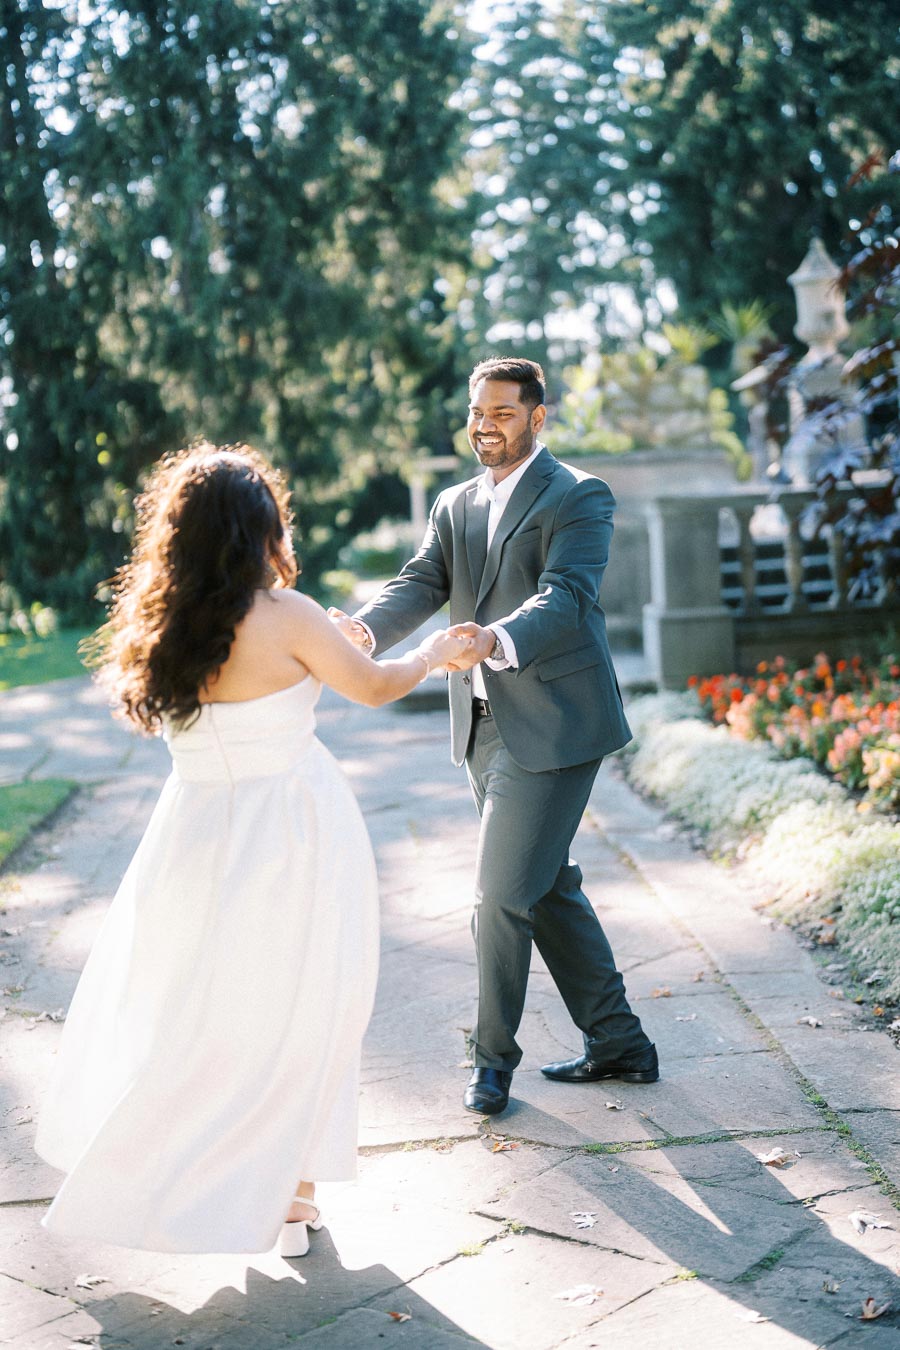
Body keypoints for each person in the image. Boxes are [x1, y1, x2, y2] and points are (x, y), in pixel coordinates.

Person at [34, 443, 466, 1257]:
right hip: (292, 833)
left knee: (203, 1013)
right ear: (257, 528)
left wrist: (337, 644)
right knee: (309, 1007)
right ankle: (289, 1191)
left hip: (191, 836)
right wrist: (434, 653)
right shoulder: (288, 615)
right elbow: (371, 688)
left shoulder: (164, 625)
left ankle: (230, 1183)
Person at [331, 357, 657, 1117]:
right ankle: (620, 1044)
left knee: (498, 896)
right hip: (480, 726)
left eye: (503, 413)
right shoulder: (454, 503)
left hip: (557, 723)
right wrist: (365, 631)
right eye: (478, 412)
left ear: (537, 418)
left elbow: (567, 597)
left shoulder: (578, 496)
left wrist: (494, 639)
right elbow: (420, 580)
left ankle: (491, 1063)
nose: (485, 425)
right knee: (545, 888)